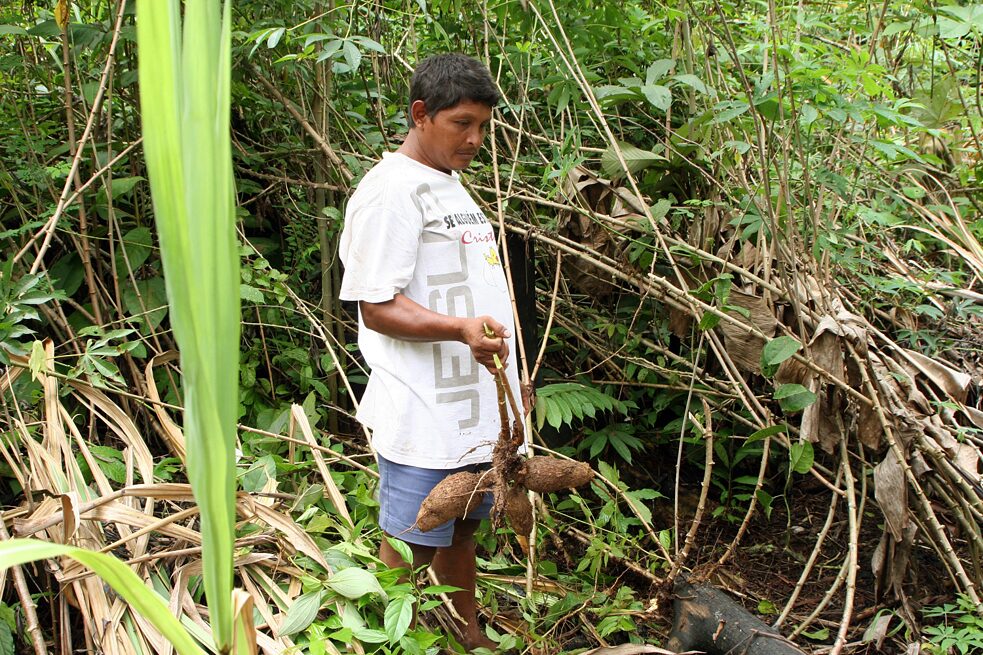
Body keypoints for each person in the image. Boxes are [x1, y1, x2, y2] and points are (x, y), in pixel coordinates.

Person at [338, 53, 522, 651]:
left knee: (463, 527)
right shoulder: (390, 192)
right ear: (421, 114)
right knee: (414, 535)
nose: (474, 139)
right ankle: (389, 641)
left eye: (482, 128)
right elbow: (375, 304)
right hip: (422, 408)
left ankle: (467, 637)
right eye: (461, 124)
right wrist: (461, 330)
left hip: (471, 414)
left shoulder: (446, 183)